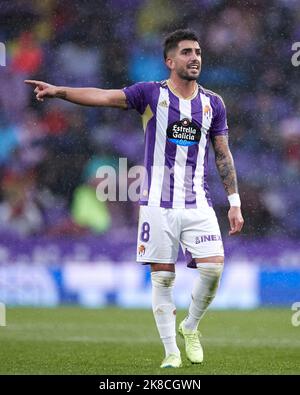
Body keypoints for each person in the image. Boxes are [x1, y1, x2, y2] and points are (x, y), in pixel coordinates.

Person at [25, 29, 244, 368]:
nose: (195, 57)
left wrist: (234, 202)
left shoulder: (212, 103)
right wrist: (60, 92)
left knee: (213, 269)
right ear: (170, 61)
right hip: (157, 202)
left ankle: (190, 326)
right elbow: (103, 96)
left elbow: (223, 154)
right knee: (163, 277)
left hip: (197, 202)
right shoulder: (149, 94)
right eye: (186, 52)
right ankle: (171, 352)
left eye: (198, 51)